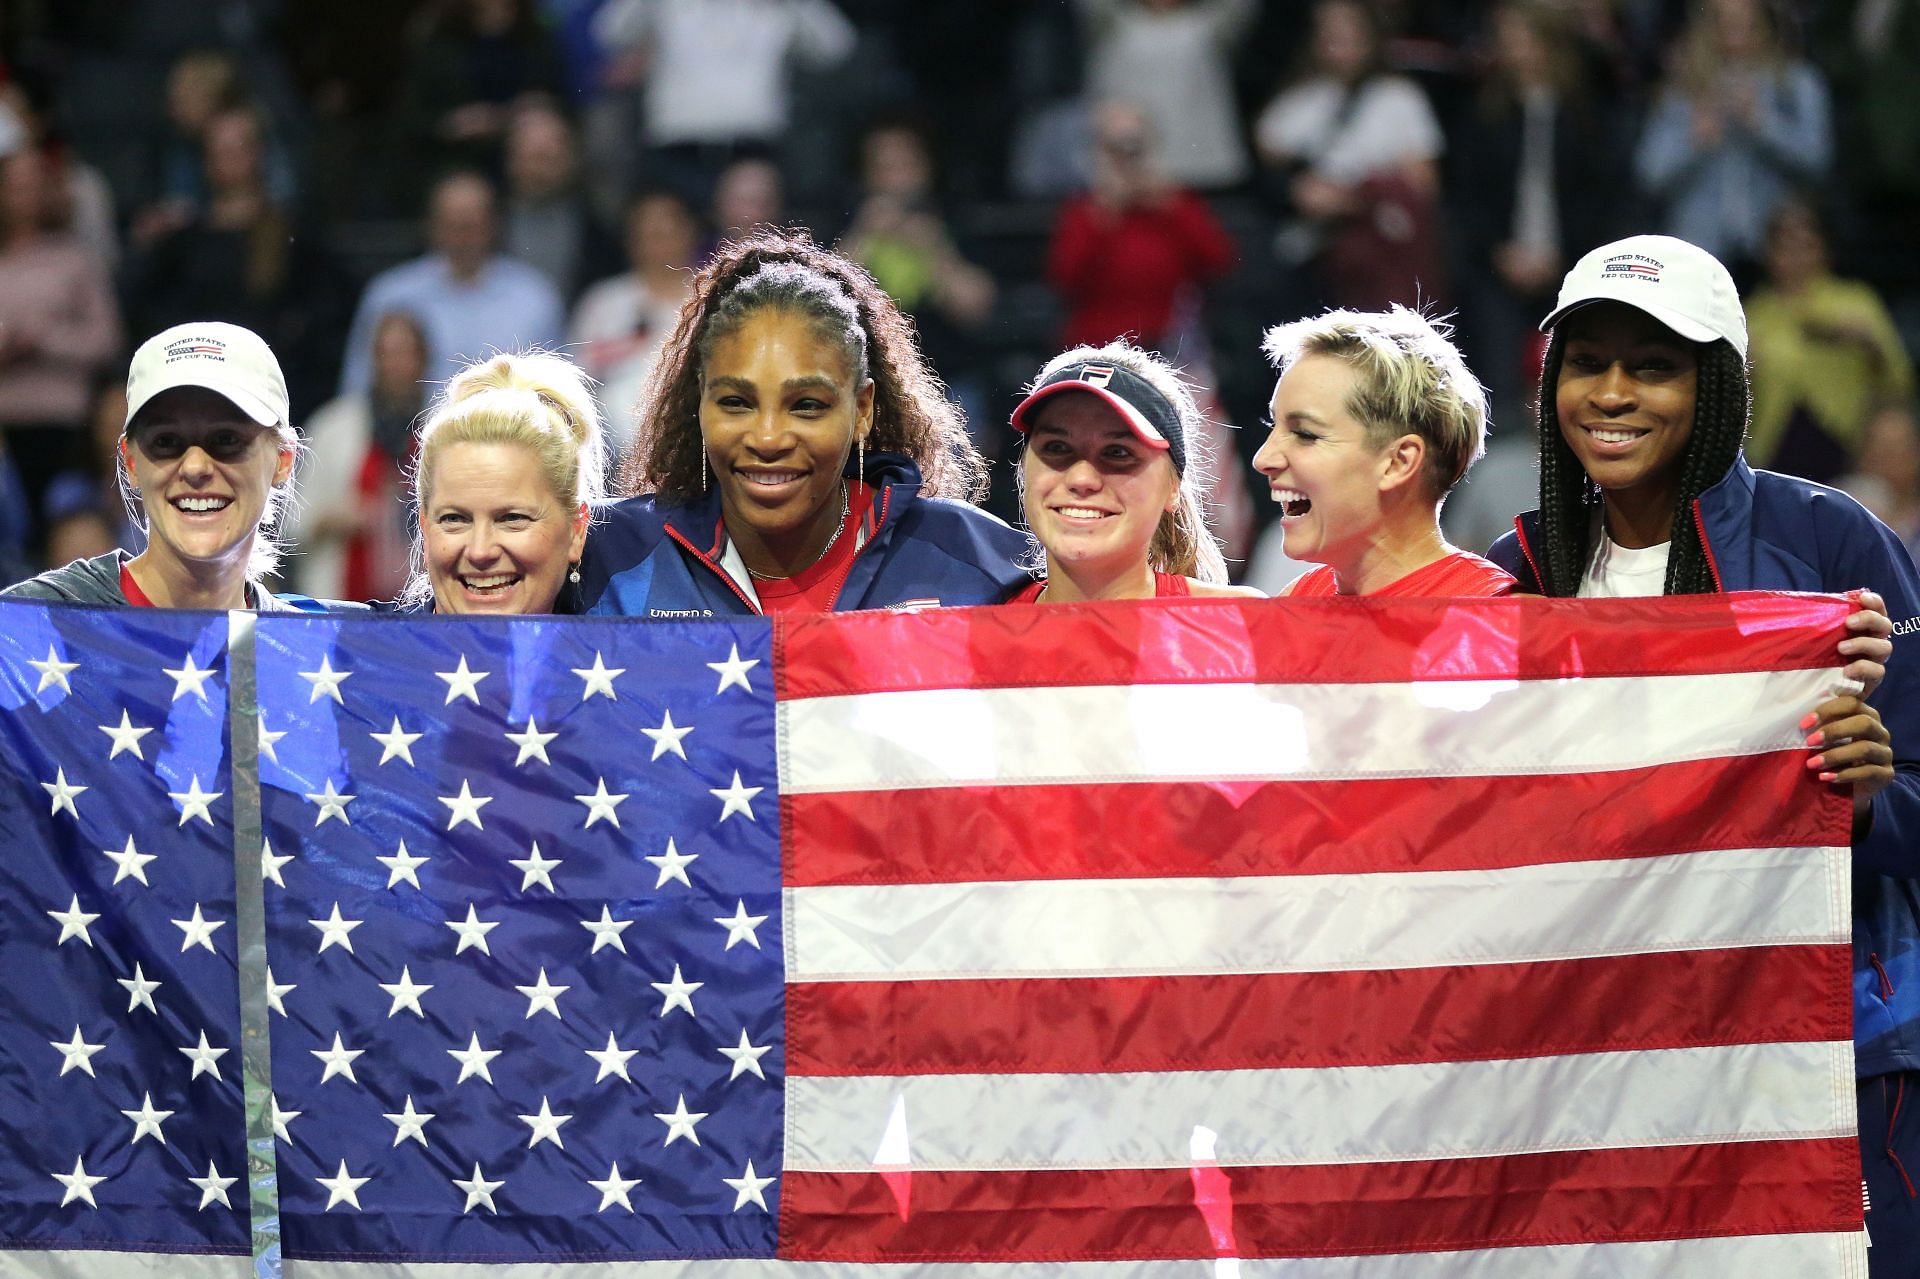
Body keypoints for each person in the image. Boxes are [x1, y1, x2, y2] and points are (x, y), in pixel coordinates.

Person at [1485, 234, 1917, 1265]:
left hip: (1832, 1049)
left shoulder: (1832, 544)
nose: (1614, 393)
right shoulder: (1521, 568)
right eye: (1588, 363)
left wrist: (1868, 800)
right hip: (1602, 1062)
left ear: (1716, 381)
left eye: (1655, 365)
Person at [578, 228, 1030, 617]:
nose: (769, 437)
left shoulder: (978, 561)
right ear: (699, 403)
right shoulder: (603, 556)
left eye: (807, 406)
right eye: (736, 402)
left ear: (863, 410)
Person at [3, 322, 324, 612]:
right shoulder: (35, 628)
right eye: (167, 441)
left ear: (283, 460)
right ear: (131, 463)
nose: (195, 466)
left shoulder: (318, 654)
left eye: (226, 439)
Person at [1253, 307, 1514, 597]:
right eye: (1273, 426)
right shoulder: (1301, 599)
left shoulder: (1505, 623)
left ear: (1398, 462)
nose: (1263, 459)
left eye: (1305, 434)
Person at [1003, 339, 1260, 603]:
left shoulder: (1239, 622)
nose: (1081, 479)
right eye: (1057, 447)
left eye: (1118, 453)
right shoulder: (974, 628)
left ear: (1173, 487)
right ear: (1024, 469)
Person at [1254, 0, 1448, 311]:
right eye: (1329, 34)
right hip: (1314, 251)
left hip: (1380, 246)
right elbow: (1268, 158)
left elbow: (1423, 183)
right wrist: (1299, 189)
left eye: (1348, 33)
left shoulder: (1399, 99)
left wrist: (1353, 199)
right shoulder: (1298, 100)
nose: (1338, 44)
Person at [400, 349, 602, 615]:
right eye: (454, 519)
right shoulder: (347, 650)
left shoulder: (625, 656)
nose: (480, 551)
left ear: (576, 531)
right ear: (425, 529)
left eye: (512, 518)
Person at [337, 171, 563, 396]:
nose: (462, 238)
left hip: (506, 429)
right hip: (410, 430)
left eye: (471, 226)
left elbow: (555, 392)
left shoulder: (533, 296)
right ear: (432, 225)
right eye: (453, 226)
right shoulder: (390, 295)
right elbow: (357, 391)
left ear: (494, 225)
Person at [1047, 101, 1234, 351]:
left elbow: (1219, 262)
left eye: (1135, 148)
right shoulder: (1084, 212)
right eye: (1115, 149)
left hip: (1172, 341)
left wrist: (1171, 209)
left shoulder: (1176, 204)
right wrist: (1105, 215)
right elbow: (1064, 279)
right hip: (1100, 343)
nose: (1126, 159)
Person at [283, 310, 432, 602]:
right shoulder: (335, 427)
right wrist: (335, 517)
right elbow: (291, 524)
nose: (395, 364)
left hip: (423, 609)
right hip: (342, 600)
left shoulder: (443, 428)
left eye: (405, 353)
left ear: (423, 359)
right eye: (386, 353)